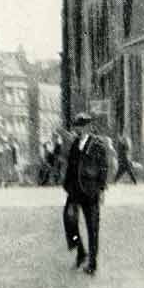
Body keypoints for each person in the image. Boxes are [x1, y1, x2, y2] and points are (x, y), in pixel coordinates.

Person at [63, 111, 110, 275]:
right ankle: (80, 250)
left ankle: (92, 263)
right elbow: (70, 166)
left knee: (92, 227)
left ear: (89, 127)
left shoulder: (97, 145)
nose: (79, 129)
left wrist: (101, 188)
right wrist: (67, 186)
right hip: (75, 191)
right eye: (77, 126)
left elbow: (104, 167)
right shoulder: (75, 144)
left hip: (91, 191)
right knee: (69, 221)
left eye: (82, 126)